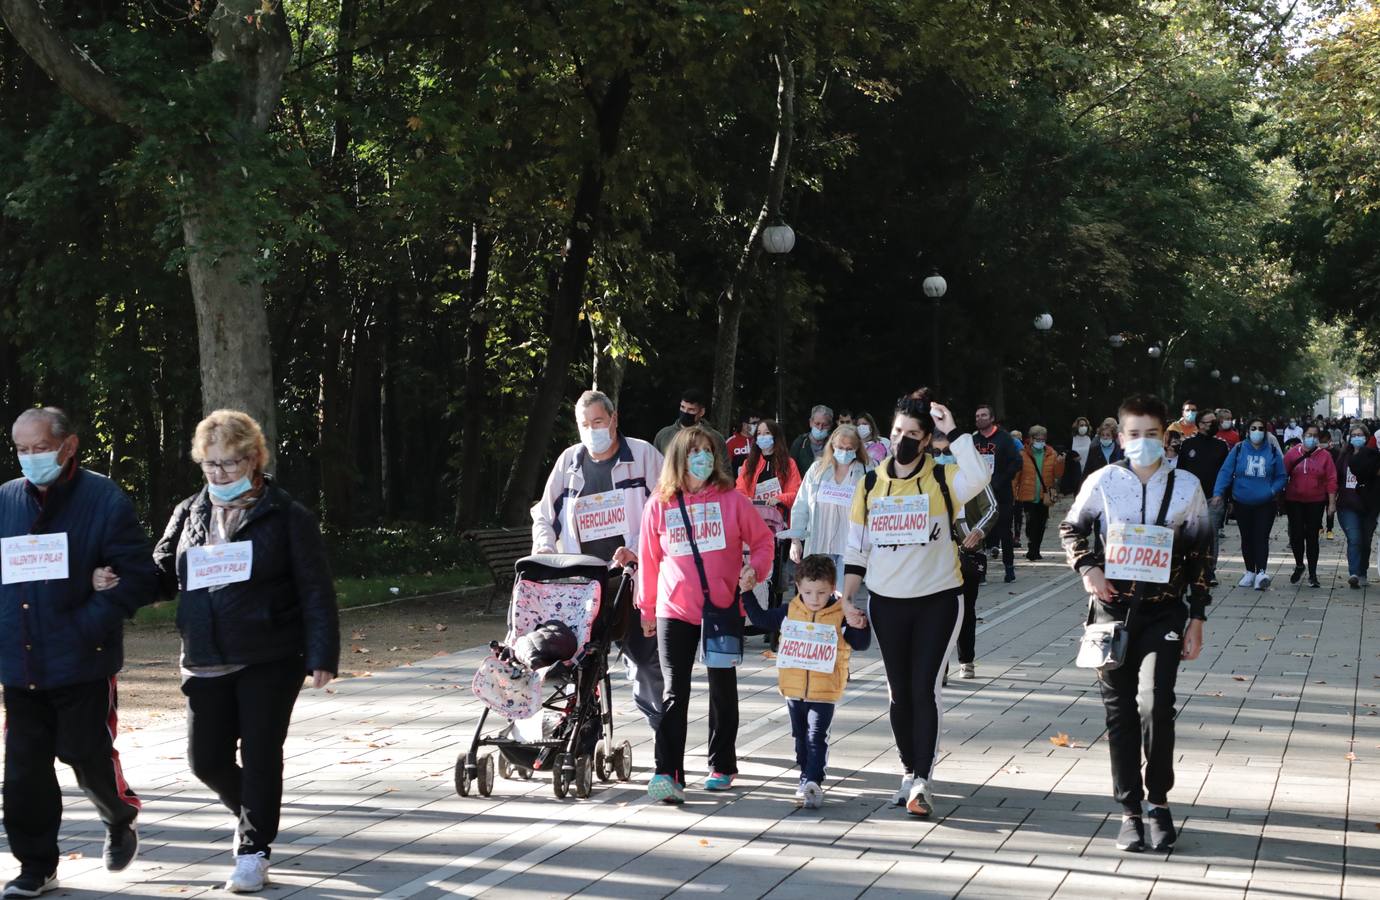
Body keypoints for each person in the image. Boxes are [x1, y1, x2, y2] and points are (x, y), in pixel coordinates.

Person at [139, 409, 339, 893]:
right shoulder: (189, 512)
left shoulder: (288, 515)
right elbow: (164, 574)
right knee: (205, 760)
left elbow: (316, 589)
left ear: (253, 459)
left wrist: (321, 655)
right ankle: (252, 812)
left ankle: (253, 851)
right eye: (210, 465)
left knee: (262, 752)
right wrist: (118, 581)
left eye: (228, 464)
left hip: (270, 653)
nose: (219, 474)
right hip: (205, 653)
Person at [0, 407, 157, 898]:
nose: (30, 459)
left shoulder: (103, 497)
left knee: (85, 756)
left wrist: (88, 619)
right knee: (23, 774)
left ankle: (119, 815)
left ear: (68, 446)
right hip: (19, 663)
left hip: (82, 662)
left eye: (39, 449)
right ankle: (36, 865)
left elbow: (138, 577)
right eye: (21, 450)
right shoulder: (5, 499)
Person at [1060, 393, 1211, 855]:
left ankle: (1158, 802)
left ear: (1165, 435)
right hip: (1112, 614)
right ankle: (1129, 811)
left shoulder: (1186, 486)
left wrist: (1197, 616)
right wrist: (1089, 569)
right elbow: (1071, 528)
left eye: (1151, 434)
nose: (1143, 443)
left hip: (1164, 613)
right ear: (1121, 436)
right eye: (1134, 434)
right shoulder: (1103, 481)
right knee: (1120, 713)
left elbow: (1203, 553)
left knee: (1154, 704)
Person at [843, 396, 991, 817]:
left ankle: (922, 780)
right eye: (896, 433)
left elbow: (979, 477)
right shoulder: (869, 484)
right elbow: (857, 550)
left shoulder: (944, 478)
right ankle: (907, 771)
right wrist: (846, 598)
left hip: (938, 601)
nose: (901, 441)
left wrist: (955, 432)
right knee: (898, 692)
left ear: (927, 439)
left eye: (912, 434)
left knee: (924, 688)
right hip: (887, 603)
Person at [637, 427, 774, 803]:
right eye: (695, 451)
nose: (703, 457)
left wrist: (754, 570)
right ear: (679, 458)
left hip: (722, 607)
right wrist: (646, 608)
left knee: (722, 688)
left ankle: (722, 765)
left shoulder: (732, 500)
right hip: (674, 609)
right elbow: (649, 560)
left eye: (709, 451)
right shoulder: (660, 504)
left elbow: (763, 541)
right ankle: (668, 771)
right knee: (672, 692)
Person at [531, 390, 666, 730]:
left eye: (598, 422)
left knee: (645, 662)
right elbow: (544, 516)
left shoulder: (644, 455)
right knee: (579, 661)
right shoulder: (570, 462)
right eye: (584, 424)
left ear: (614, 419)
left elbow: (668, 509)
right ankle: (582, 730)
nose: (592, 430)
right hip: (583, 584)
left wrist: (636, 548)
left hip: (632, 580)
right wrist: (546, 551)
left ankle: (663, 733)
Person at [743, 555, 870, 808]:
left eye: (822, 592)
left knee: (816, 735)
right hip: (793, 689)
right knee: (800, 736)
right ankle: (805, 774)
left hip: (825, 690)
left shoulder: (840, 614)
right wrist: (746, 592)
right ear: (797, 587)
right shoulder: (789, 611)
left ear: (833, 588)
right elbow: (760, 619)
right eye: (808, 592)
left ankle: (813, 780)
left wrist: (860, 624)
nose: (814, 598)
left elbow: (861, 643)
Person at [931, 432, 997, 679]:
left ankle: (966, 658)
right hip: (936, 557)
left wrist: (978, 531)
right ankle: (941, 667)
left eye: (946, 452)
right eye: (936, 453)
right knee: (938, 612)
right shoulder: (926, 478)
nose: (941, 457)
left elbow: (992, 507)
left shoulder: (971, 479)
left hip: (966, 554)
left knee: (965, 609)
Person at [787, 425, 870, 580]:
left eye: (849, 448)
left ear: (857, 448)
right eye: (840, 447)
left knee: (842, 597)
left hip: (850, 547)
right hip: (819, 544)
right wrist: (795, 540)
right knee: (818, 594)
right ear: (832, 445)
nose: (844, 452)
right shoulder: (817, 469)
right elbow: (801, 505)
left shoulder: (866, 472)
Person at [1212, 419, 1287, 590]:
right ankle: (1249, 571)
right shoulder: (1238, 449)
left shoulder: (1273, 451)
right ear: (1247, 431)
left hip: (1265, 502)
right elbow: (1225, 472)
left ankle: (1261, 572)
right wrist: (1218, 493)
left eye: (1261, 428)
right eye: (1254, 428)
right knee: (1247, 537)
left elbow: (1282, 476)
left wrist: (1271, 491)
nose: (1257, 431)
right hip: (1242, 501)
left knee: (1261, 537)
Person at [1176, 410, 1231, 586]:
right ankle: (1190, 570)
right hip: (1191, 499)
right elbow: (1180, 472)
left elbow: (1227, 473)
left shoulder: (1221, 446)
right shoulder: (1187, 445)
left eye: (1215, 421)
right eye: (1209, 422)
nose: (1213, 425)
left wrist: (1223, 496)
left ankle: (1209, 571)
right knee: (1189, 535)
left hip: (1213, 498)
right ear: (1200, 424)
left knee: (1211, 535)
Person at [1282, 425, 1337, 589]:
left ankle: (1313, 573)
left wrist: (1332, 503)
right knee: (1296, 535)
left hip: (1316, 500)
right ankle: (1299, 564)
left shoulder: (1325, 456)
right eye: (1308, 435)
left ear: (1318, 438)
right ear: (1303, 436)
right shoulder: (1292, 453)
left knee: (1312, 536)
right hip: (1294, 500)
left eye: (1314, 435)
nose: (1311, 438)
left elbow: (1331, 479)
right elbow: (1282, 474)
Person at [973, 403, 1022, 583]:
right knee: (980, 531)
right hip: (980, 494)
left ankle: (1009, 568)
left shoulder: (1004, 439)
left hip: (1002, 492)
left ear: (992, 418)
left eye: (984, 415)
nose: (980, 419)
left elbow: (1017, 462)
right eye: (977, 416)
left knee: (1004, 530)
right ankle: (981, 571)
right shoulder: (974, 440)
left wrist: (1000, 480)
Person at [1336, 424, 1380, 588]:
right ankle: (1353, 573)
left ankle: (1363, 571)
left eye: (1360, 434)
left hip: (1369, 505)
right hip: (1348, 504)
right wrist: (1331, 502)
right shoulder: (1343, 457)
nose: (1356, 437)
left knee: (1365, 540)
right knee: (1354, 539)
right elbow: (1335, 479)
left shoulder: (1373, 456)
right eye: (1353, 434)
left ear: (1367, 437)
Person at [1012, 425, 1064, 561]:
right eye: (1037, 439)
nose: (1040, 441)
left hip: (1045, 495)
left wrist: (1060, 463)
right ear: (1031, 439)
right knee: (1030, 522)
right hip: (1027, 494)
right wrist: (1013, 491)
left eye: (1043, 439)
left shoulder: (1052, 454)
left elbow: (1058, 474)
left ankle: (1035, 549)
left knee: (1041, 523)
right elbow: (1016, 475)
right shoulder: (1022, 454)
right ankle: (1032, 546)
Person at [653, 388, 729, 460]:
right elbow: (653, 466)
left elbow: (724, 470)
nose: (685, 412)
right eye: (683, 407)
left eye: (691, 410)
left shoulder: (715, 438)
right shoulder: (664, 435)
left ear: (701, 412)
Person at [790, 405, 835, 479]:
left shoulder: (834, 443)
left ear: (830, 425)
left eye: (825, 425)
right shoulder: (800, 442)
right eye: (817, 424)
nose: (820, 428)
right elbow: (791, 468)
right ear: (810, 422)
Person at [1064, 416, 1093, 494]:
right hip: (1075, 472)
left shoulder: (1090, 439)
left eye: (1085, 425)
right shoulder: (1071, 439)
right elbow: (1066, 453)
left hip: (1088, 471)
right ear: (1077, 426)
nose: (1083, 427)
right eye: (1081, 425)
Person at [1320, 429, 1338, 539]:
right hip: (1318, 485)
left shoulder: (1335, 452)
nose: (1323, 443)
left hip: (1330, 484)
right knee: (1318, 507)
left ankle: (1330, 529)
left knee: (1330, 508)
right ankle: (1319, 526)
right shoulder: (1314, 451)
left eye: (1325, 440)